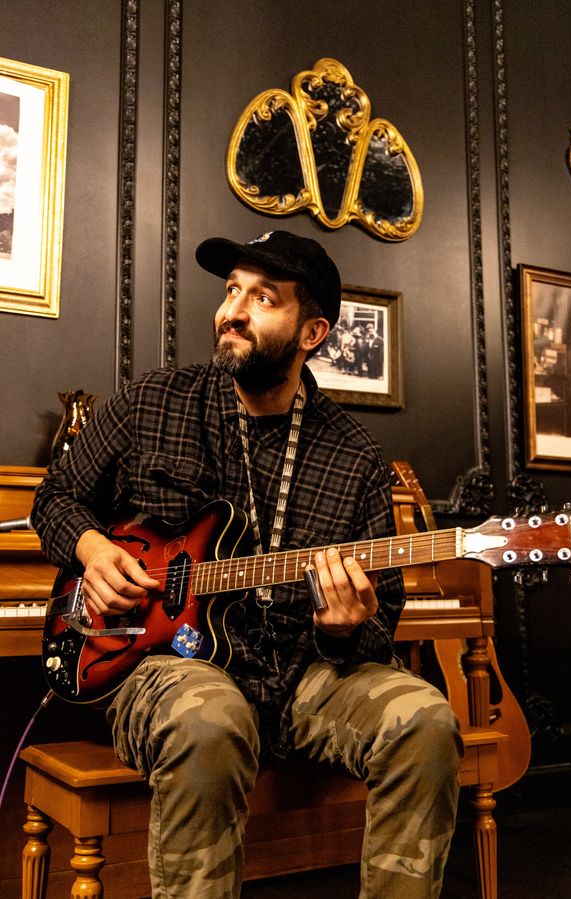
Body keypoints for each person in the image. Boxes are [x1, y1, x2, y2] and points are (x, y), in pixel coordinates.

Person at [32, 230, 461, 899]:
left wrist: (344, 628)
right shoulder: (153, 402)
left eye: (263, 298)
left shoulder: (355, 458)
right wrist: (92, 549)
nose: (232, 310)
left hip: (302, 674)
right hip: (165, 666)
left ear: (312, 332)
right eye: (232, 290)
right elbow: (56, 497)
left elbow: (380, 625)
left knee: (426, 721)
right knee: (211, 718)